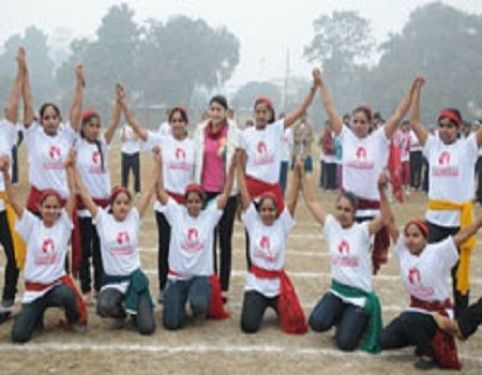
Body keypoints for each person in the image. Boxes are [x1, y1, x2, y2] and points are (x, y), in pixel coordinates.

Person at [317, 73, 418, 274]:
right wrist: (321, 83)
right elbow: (330, 108)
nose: (358, 125)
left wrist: (413, 91)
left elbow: (398, 115)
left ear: (370, 123)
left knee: (365, 260)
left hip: (372, 210)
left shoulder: (379, 139)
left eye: (363, 122)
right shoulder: (345, 136)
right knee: (347, 256)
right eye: (355, 121)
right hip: (348, 209)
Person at [410, 77, 482, 317]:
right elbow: (414, 121)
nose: (445, 130)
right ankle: (432, 311)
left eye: (450, 125)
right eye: (441, 125)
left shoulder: (469, 146)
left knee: (459, 272)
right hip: (435, 221)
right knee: (430, 268)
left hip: (459, 222)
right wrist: (417, 90)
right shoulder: (432, 146)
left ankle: (460, 321)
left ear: (459, 128)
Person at [379, 204, 482, 370]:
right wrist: (382, 191)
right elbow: (389, 221)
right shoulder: (403, 252)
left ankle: (429, 352)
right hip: (417, 310)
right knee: (384, 340)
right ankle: (422, 339)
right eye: (408, 235)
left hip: (438, 313)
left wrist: (479, 221)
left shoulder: (437, 252)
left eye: (416, 235)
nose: (411, 239)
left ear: (425, 238)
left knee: (407, 319)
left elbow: (463, 235)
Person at [301, 164, 390, 353]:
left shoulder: (363, 231)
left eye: (347, 210)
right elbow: (311, 202)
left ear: (354, 213)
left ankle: (358, 320)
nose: (342, 213)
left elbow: (385, 218)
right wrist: (303, 174)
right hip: (338, 291)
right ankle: (343, 317)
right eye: (339, 208)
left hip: (358, 296)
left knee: (346, 344)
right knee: (316, 322)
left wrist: (382, 191)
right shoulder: (331, 226)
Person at [0, 153, 87, 343]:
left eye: (55, 207)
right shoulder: (32, 225)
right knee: (19, 336)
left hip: (55, 286)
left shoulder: (63, 224)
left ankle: (72, 320)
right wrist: (6, 174)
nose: (51, 211)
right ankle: (36, 315)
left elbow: (72, 194)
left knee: (67, 294)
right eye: (47, 207)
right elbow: (13, 201)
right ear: (39, 208)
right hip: (35, 290)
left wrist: (69, 168)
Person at [75, 146, 158, 335]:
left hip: (134, 279)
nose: (122, 206)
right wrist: (72, 168)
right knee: (103, 307)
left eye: (126, 203)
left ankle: (137, 308)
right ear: (111, 205)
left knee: (147, 328)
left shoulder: (134, 217)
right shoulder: (103, 219)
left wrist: (158, 165)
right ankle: (121, 313)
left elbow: (148, 192)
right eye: (118, 202)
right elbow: (84, 193)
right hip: (113, 281)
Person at [120, 95, 194, 303]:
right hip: (165, 202)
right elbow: (138, 128)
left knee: (184, 245)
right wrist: (124, 105)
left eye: (180, 120)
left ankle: (183, 284)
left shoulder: (193, 145)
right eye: (174, 120)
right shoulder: (162, 141)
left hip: (186, 206)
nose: (177, 124)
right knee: (165, 244)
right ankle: (163, 287)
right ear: (169, 123)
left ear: (186, 122)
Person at [157, 151, 236, 330]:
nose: (193, 205)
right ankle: (178, 303)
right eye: (190, 201)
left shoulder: (209, 216)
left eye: (197, 201)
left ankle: (197, 305)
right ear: (185, 202)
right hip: (177, 277)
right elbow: (160, 191)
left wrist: (232, 168)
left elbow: (226, 193)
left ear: (202, 202)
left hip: (200, 277)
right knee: (171, 324)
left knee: (199, 303)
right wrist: (158, 165)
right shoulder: (176, 213)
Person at [238, 152, 307, 334]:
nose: (267, 213)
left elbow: (291, 199)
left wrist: (297, 173)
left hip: (277, 286)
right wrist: (239, 167)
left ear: (277, 211)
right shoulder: (253, 222)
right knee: (248, 326)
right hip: (256, 285)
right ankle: (257, 304)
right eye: (264, 209)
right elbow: (245, 195)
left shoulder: (282, 225)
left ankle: (278, 307)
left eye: (271, 210)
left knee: (294, 321)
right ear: (258, 210)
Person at [73, 83, 122, 304]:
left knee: (102, 249)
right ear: (83, 127)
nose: (95, 129)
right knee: (85, 250)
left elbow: (113, 124)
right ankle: (85, 288)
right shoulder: (76, 144)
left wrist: (119, 103)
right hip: (85, 206)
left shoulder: (102, 145)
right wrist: (80, 86)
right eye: (90, 125)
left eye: (97, 126)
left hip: (103, 207)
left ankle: (101, 285)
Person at [193, 95, 240, 300]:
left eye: (219, 109)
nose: (215, 113)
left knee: (224, 239)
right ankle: (208, 280)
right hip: (205, 192)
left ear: (226, 111)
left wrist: (231, 191)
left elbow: (236, 161)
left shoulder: (233, 132)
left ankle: (223, 287)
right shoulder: (200, 130)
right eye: (212, 109)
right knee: (207, 239)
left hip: (226, 193)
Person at [0, 47, 24, 322]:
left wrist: (20, 71)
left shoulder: (5, 129)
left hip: (5, 205)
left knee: (14, 252)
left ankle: (7, 299)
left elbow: (13, 101)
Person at [120, 123, 141, 196]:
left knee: (136, 173)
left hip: (135, 153)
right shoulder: (123, 127)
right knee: (125, 173)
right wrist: (124, 132)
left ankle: (137, 190)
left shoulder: (136, 127)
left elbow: (136, 137)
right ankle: (124, 189)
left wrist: (134, 129)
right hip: (125, 153)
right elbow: (123, 139)